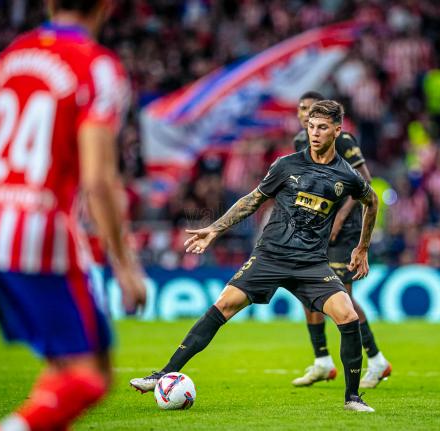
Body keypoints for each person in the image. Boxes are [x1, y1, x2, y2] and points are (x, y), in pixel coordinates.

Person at [0, 1, 147, 429]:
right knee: (90, 377)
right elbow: (98, 180)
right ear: (107, 6)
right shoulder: (98, 67)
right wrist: (125, 266)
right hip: (41, 238)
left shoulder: (13, 56)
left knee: (65, 371)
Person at [130, 100, 379, 412]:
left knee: (348, 316)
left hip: (312, 263)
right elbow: (252, 201)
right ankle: (163, 374)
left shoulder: (346, 175)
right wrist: (215, 229)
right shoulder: (286, 165)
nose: (315, 133)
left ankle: (353, 398)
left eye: (323, 128)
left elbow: (372, 200)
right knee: (223, 305)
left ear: (337, 131)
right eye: (311, 126)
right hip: (270, 256)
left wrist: (362, 247)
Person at [292, 91, 391, 389]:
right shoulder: (300, 143)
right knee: (307, 290)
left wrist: (339, 217)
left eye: (311, 111)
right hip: (316, 228)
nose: (306, 116)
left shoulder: (343, 140)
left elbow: (364, 181)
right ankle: (322, 360)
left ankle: (376, 360)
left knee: (340, 297)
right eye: (302, 110)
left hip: (343, 229)